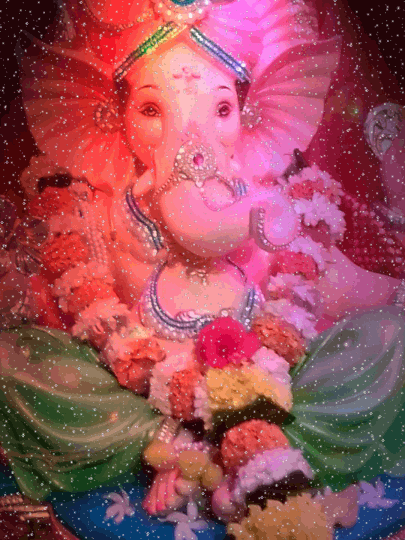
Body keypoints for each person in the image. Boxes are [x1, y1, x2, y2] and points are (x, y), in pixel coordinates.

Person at [1, 0, 405, 539]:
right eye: (151, 109)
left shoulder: (266, 196)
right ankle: (187, 450)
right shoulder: (102, 212)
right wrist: (158, 380)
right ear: (114, 117)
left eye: (221, 109)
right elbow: (91, 309)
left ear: (250, 114)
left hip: (273, 382)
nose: (192, 142)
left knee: (390, 338)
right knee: (20, 363)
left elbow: (318, 288)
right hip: (144, 395)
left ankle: (254, 446)